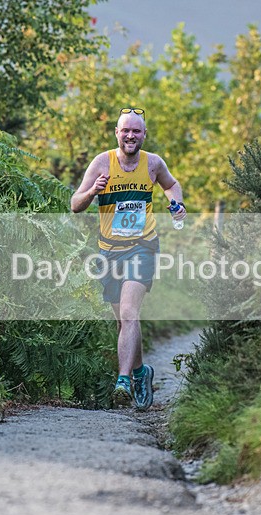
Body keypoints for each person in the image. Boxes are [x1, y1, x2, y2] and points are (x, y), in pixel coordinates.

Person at [70, 107, 186, 410]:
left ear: (144, 135)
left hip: (143, 246)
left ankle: (122, 381)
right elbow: (74, 204)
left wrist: (177, 203)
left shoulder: (153, 163)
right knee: (123, 320)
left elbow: (172, 186)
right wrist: (92, 192)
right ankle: (139, 372)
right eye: (126, 130)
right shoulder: (101, 163)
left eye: (137, 131)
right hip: (109, 250)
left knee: (130, 313)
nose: (131, 135)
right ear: (117, 133)